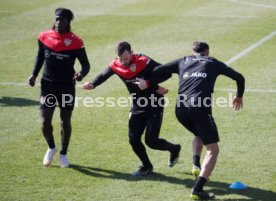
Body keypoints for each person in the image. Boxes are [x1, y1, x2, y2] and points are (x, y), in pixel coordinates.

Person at [135, 41, 245, 199]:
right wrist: (239, 96)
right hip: (199, 109)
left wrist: (148, 83)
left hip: (180, 111)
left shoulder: (183, 60)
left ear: (193, 52)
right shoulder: (213, 62)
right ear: (207, 52)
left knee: (201, 135)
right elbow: (239, 77)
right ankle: (198, 189)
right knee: (213, 150)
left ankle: (196, 164)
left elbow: (157, 70)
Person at [82, 41, 181, 176]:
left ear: (132, 53)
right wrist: (92, 84)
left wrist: (148, 83)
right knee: (133, 139)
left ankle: (174, 149)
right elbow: (103, 75)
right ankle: (147, 166)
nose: (124, 62)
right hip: (137, 105)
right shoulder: (116, 65)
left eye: (126, 59)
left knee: (151, 141)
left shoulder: (144, 61)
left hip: (154, 104)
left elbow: (166, 73)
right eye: (121, 59)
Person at [27, 8, 90, 168]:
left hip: (67, 86)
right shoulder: (44, 36)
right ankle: (51, 147)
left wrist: (81, 74)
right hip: (48, 85)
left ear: (68, 22)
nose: (58, 22)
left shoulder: (76, 41)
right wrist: (34, 75)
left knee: (65, 121)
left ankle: (63, 153)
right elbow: (40, 57)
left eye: (62, 20)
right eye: (56, 19)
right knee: (44, 121)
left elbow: (85, 64)